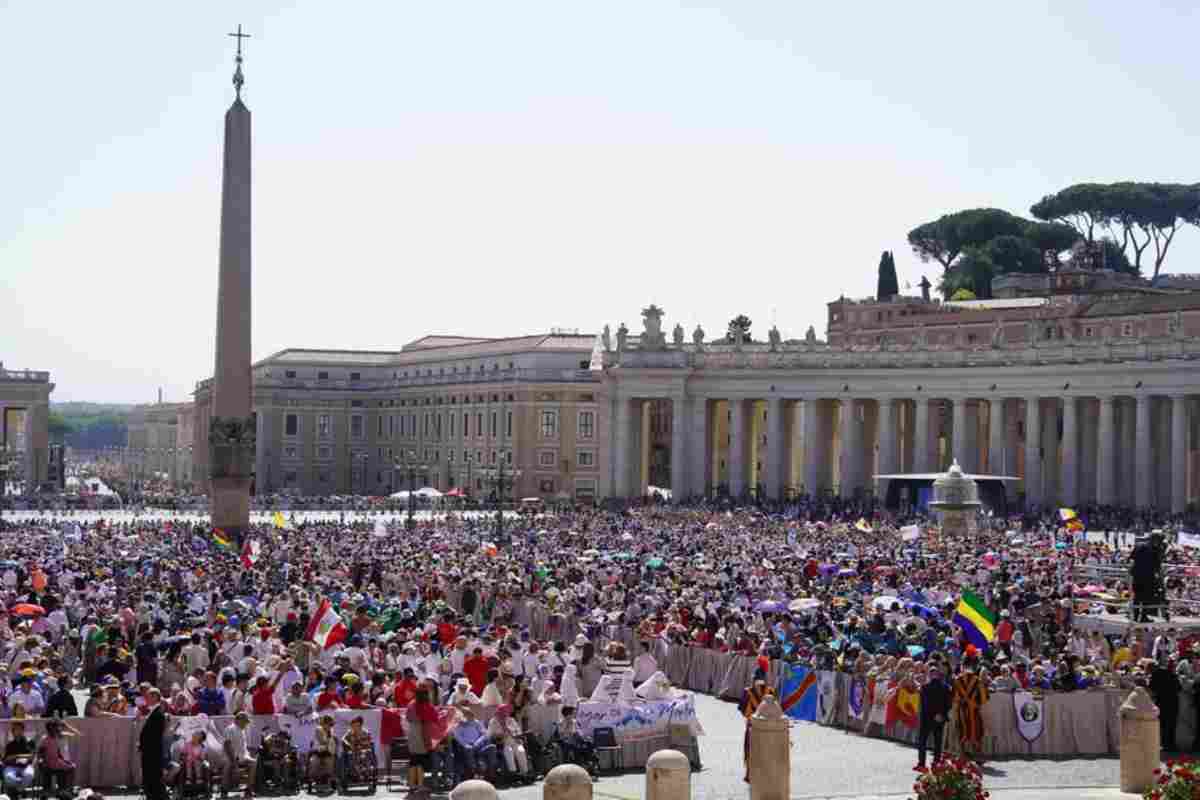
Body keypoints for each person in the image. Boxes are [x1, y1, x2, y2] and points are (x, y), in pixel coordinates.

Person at [953, 661, 989, 762]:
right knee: (976, 731)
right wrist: (974, 702)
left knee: (962, 730)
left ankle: (962, 755)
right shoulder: (978, 681)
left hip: (962, 711)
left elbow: (955, 698)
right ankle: (978, 755)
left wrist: (963, 700)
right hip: (974, 710)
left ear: (963, 667)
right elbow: (984, 699)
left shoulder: (957, 680)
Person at [917, 664, 952, 768]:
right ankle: (936, 763)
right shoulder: (946, 687)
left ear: (930, 675)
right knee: (938, 742)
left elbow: (924, 705)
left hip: (927, 718)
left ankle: (921, 763)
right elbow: (948, 704)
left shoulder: (925, 687)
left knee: (922, 741)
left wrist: (931, 715)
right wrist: (941, 714)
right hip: (939, 718)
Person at [450, 707, 498, 780]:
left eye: (469, 713)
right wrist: (467, 745)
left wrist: (477, 743)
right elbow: (459, 739)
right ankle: (475, 772)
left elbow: (484, 734)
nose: (470, 715)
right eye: (466, 714)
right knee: (469, 750)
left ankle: (491, 772)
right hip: (467, 748)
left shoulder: (476, 723)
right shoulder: (457, 726)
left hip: (479, 747)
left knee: (492, 747)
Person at [738, 679, 772, 783]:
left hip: (753, 725)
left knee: (750, 749)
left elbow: (743, 710)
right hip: (764, 725)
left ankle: (750, 773)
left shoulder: (748, 692)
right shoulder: (770, 691)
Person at [406, 687, 438, 791]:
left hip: (412, 733)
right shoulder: (425, 705)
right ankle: (419, 785)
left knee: (413, 760)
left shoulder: (411, 704)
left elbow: (408, 717)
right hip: (421, 734)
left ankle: (412, 784)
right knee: (420, 761)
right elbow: (434, 717)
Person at [139, 687, 168, 800]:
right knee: (151, 777)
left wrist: (145, 745)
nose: (146, 699)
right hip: (149, 750)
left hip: (152, 751)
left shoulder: (158, 713)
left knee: (154, 778)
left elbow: (154, 735)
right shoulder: (154, 712)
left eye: (148, 696)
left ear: (155, 697)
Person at [488, 704, 529, 778]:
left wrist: (511, 731)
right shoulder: (493, 721)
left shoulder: (511, 720)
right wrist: (500, 735)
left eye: (506, 712)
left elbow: (518, 732)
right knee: (509, 752)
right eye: (502, 712)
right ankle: (513, 773)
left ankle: (524, 773)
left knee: (521, 751)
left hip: (514, 741)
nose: (504, 714)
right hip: (503, 743)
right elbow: (490, 735)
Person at [1150, 657, 1182, 752]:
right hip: (1173, 703)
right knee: (1171, 725)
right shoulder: (1173, 674)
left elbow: (1152, 688)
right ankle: (1171, 745)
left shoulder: (1156, 674)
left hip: (1161, 702)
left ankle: (1163, 744)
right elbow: (1179, 688)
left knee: (1162, 724)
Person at [223, 712, 257, 797]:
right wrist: (234, 763)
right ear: (239, 720)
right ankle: (224, 790)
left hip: (242, 757)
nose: (246, 723)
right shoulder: (230, 729)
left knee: (254, 763)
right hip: (231, 757)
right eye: (245, 721)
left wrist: (248, 755)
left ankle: (248, 789)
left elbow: (243, 748)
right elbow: (227, 746)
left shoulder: (241, 730)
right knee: (228, 765)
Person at [2, 720, 36, 795]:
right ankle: (20, 790)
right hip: (12, 766)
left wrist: (17, 756)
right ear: (13, 732)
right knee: (8, 777)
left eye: (20, 729)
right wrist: (13, 757)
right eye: (15, 730)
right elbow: (5, 759)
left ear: (23, 730)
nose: (18, 731)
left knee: (29, 775)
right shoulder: (10, 744)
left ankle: (17, 791)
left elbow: (32, 756)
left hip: (26, 766)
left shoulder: (30, 742)